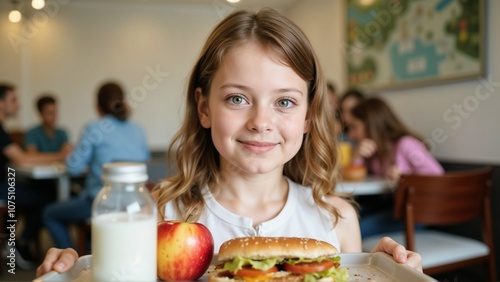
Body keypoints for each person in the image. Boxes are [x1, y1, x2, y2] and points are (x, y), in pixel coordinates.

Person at [36, 9, 422, 277]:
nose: (260, 122)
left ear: (308, 116)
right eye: (237, 98)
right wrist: (75, 271)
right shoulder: (160, 214)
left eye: (284, 102)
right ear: (204, 108)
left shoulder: (337, 219)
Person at [42, 81, 150, 251]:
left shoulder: (94, 128)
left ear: (98, 106)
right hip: (134, 204)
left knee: (49, 213)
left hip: (101, 202)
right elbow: (144, 164)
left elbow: (73, 167)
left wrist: (73, 153)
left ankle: (73, 261)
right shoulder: (138, 129)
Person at [348, 97, 444, 237]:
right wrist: (356, 157)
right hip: (397, 206)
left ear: (371, 125)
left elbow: (438, 176)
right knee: (350, 217)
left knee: (357, 228)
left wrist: (405, 177)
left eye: (354, 127)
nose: (351, 134)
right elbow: (356, 177)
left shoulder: (406, 144)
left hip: (417, 213)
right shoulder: (377, 152)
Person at [0, 83, 69, 268]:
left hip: (8, 185)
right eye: (13, 100)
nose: (18, 105)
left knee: (42, 195)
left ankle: (13, 241)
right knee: (47, 197)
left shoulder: (3, 129)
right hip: (3, 188)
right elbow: (23, 159)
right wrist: (61, 156)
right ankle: (17, 243)